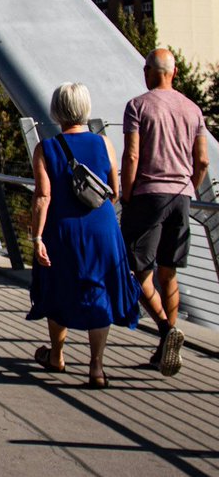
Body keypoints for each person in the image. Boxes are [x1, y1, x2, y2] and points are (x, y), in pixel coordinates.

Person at [27, 82, 140, 389]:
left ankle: (58, 356)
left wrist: (37, 238)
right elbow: (114, 191)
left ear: (56, 109)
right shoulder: (104, 144)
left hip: (62, 230)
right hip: (102, 229)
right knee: (99, 289)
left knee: (58, 287)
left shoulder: (45, 148)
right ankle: (97, 367)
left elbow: (42, 197)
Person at [120, 48, 210, 376]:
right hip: (182, 196)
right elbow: (202, 161)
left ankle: (165, 329)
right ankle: (164, 349)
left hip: (148, 195)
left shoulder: (138, 106)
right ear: (173, 73)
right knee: (168, 271)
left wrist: (126, 196)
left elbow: (131, 156)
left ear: (148, 72)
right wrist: (189, 186)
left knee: (136, 270)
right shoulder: (192, 109)